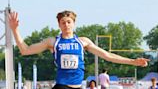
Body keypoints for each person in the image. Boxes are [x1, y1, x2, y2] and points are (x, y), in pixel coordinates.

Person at [8, 10, 150, 89]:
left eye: (69, 22)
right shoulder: (53, 42)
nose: (66, 25)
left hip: (78, 87)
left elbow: (107, 55)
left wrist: (133, 61)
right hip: (62, 86)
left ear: (74, 24)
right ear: (59, 25)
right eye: (63, 22)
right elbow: (25, 50)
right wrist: (15, 30)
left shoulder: (83, 42)